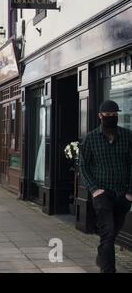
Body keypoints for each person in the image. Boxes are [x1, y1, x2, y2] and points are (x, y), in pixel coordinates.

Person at [79, 100, 132, 273]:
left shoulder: (128, 136)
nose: (111, 118)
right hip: (102, 193)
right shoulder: (91, 138)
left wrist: (130, 192)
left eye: (114, 115)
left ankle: (102, 255)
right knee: (108, 232)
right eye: (108, 115)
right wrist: (94, 189)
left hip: (123, 194)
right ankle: (108, 270)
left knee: (111, 233)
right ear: (100, 116)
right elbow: (83, 166)